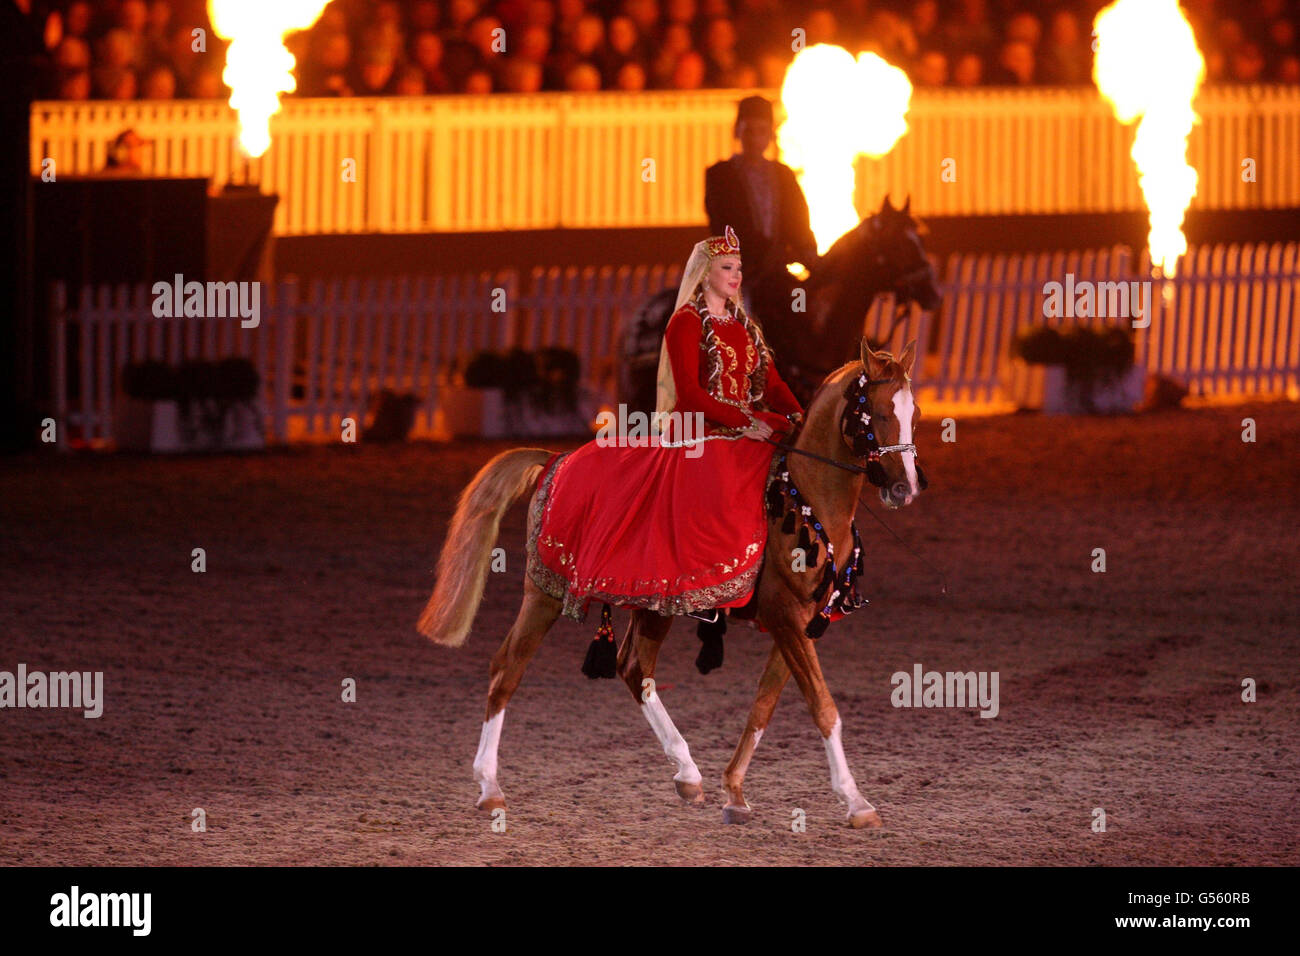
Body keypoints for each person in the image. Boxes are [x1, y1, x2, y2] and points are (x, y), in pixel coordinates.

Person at [526, 226, 804, 655]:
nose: (735, 277)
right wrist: (744, 421)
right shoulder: (685, 322)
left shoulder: (745, 325)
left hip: (744, 422)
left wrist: (798, 415)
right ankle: (701, 582)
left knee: (793, 467)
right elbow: (691, 394)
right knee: (719, 470)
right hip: (698, 424)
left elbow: (773, 381)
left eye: (739, 269)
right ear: (705, 273)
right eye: (727, 268)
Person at [705, 96, 818, 316]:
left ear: (770, 135)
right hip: (738, 272)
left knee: (802, 311)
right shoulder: (721, 175)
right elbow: (723, 223)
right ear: (738, 132)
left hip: (778, 271)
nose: (756, 139)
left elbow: (798, 221)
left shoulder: (783, 175)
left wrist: (807, 253)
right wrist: (763, 253)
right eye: (750, 131)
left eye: (762, 131)